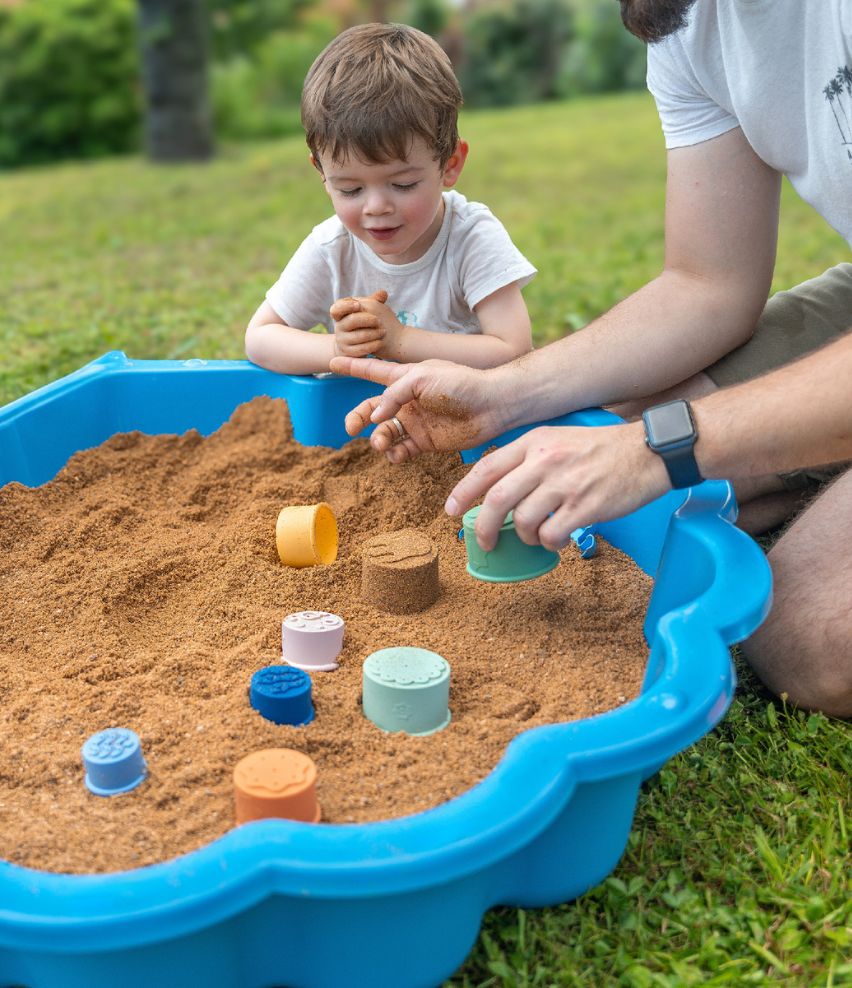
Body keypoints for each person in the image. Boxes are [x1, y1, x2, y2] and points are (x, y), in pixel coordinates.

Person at [330, 0, 852, 718]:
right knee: (606, 449)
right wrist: (506, 391)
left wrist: (655, 448)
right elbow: (709, 285)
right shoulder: (683, 18)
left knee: (810, 637)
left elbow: (657, 445)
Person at [244, 23, 536, 376]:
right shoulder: (332, 248)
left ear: (450, 165)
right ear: (322, 174)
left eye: (403, 184)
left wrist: (400, 341)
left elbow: (514, 351)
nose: (376, 207)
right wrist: (335, 348)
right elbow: (260, 338)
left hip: (458, 408)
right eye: (350, 190)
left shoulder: (470, 237)